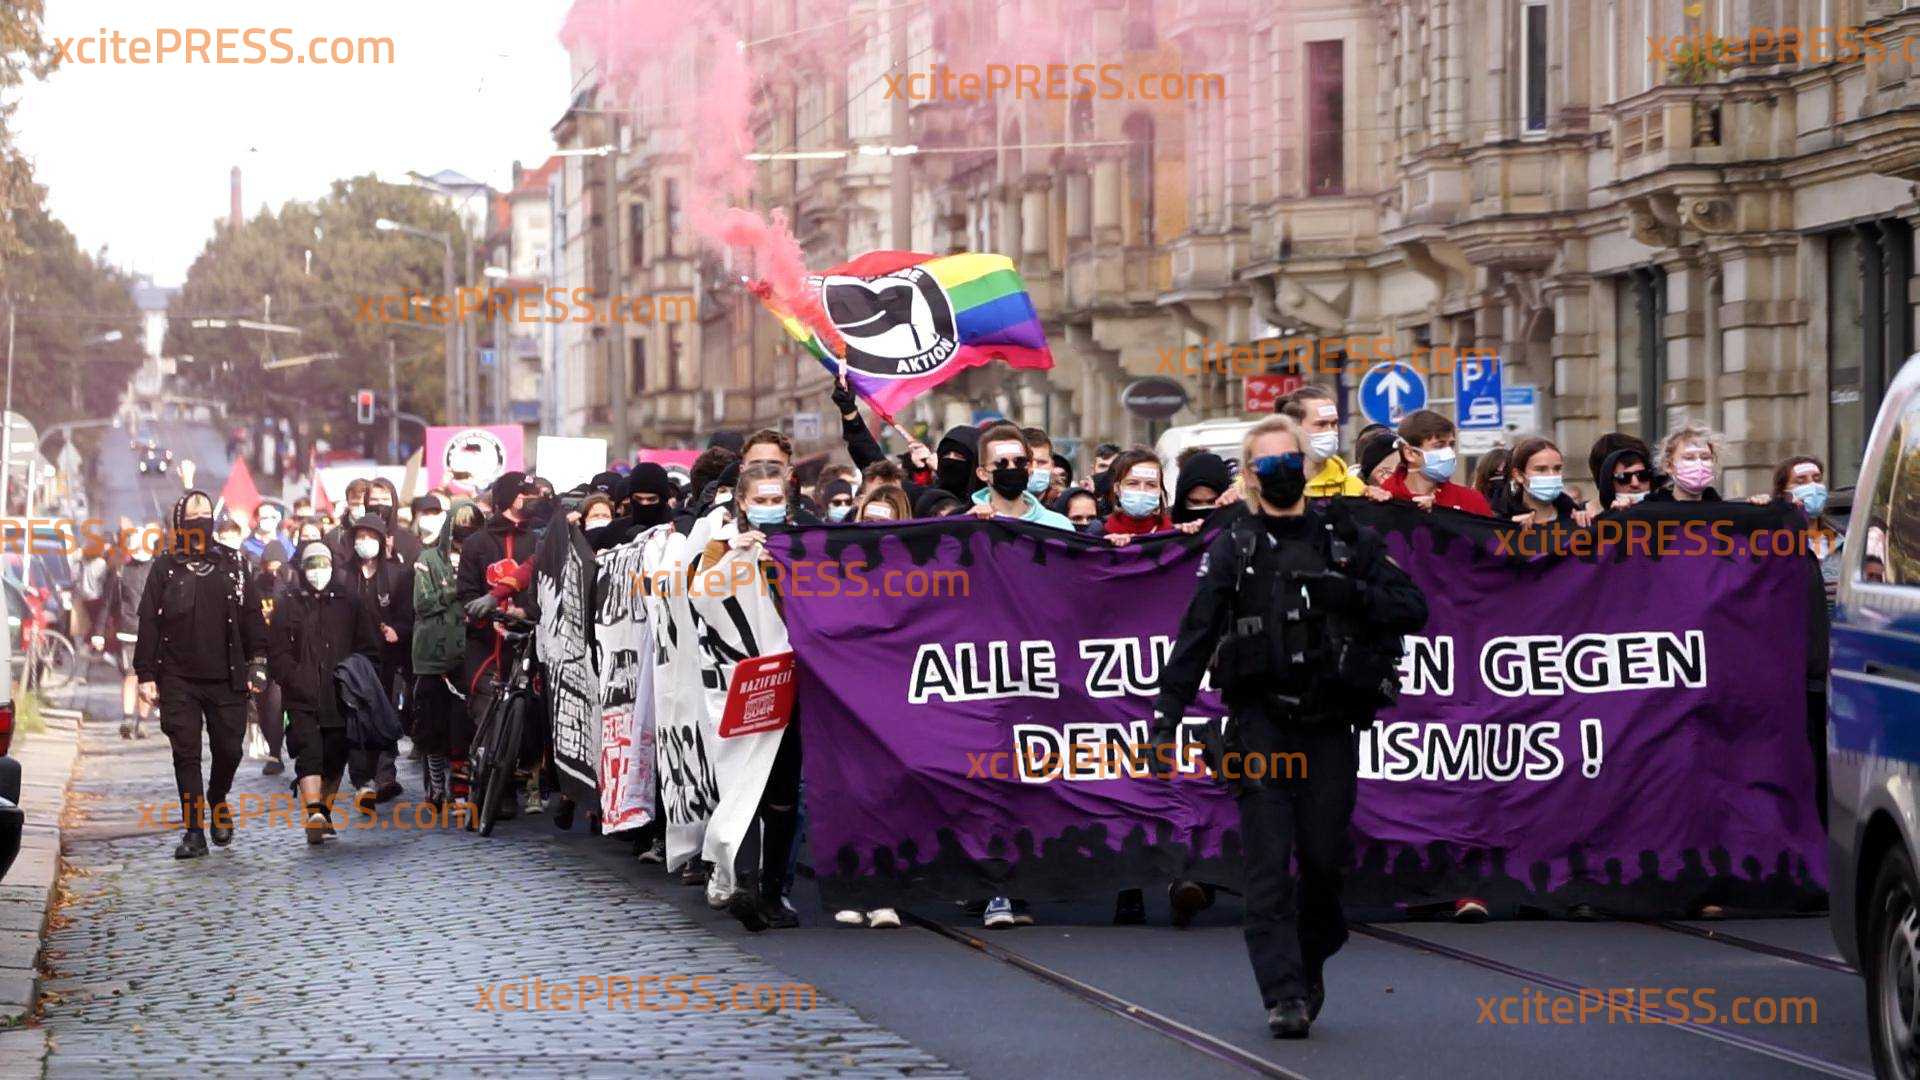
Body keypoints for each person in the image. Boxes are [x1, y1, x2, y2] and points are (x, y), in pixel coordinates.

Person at [1149, 415, 1429, 1038]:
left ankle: (1313, 952)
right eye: (1265, 463)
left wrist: (1344, 593)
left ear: (1304, 464)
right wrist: (1166, 716)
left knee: (1323, 862)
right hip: (1259, 725)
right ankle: (1283, 994)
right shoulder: (1235, 545)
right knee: (1268, 865)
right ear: (1249, 475)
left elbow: (1412, 607)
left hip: (1329, 724)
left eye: (1288, 459)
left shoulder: (1346, 536)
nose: (1278, 471)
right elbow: (1196, 634)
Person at [134, 490, 269, 859]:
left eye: (206, 513)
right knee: (186, 754)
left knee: (230, 749)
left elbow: (253, 615)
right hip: (177, 678)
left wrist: (258, 660)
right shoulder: (165, 567)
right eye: (192, 514)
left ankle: (218, 796)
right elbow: (147, 620)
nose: (200, 519)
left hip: (227, 677)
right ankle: (194, 830)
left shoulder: (235, 564)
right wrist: (145, 675)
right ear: (180, 523)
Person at [271, 541, 381, 844]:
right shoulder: (288, 603)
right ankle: (314, 812)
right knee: (309, 750)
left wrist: (357, 680)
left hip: (340, 694)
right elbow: (277, 650)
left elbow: (368, 646)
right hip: (301, 693)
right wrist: (292, 677)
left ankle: (325, 812)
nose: (317, 572)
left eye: (323, 565)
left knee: (335, 752)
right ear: (301, 569)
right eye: (311, 565)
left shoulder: (350, 601)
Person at [457, 472, 538, 814]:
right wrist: (485, 613)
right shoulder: (477, 543)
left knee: (529, 713)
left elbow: (548, 590)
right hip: (485, 642)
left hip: (527, 642)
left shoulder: (536, 542)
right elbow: (466, 594)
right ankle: (490, 788)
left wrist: (526, 611)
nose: (532, 499)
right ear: (511, 498)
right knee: (486, 708)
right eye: (526, 494)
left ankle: (517, 779)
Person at [340, 513, 411, 804]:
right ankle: (362, 778)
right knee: (357, 717)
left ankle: (385, 774)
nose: (364, 543)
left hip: (388, 658)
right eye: (359, 537)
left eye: (370, 537)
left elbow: (409, 615)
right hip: (353, 659)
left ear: (382, 541)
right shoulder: (343, 574)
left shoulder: (398, 574)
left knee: (386, 715)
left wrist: (398, 630)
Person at [410, 497, 466, 809]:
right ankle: (436, 785)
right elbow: (423, 602)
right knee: (432, 724)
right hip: (432, 654)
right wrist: (456, 589)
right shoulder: (428, 558)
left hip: (468, 650)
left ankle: (460, 784)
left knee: (461, 724)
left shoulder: (478, 556)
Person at [1380, 410, 1494, 515]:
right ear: (1410, 453)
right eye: (1439, 446)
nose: (1449, 452)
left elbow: (1494, 536)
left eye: (1451, 445)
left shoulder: (1471, 501)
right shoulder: (1383, 500)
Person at [101, 529, 157, 739]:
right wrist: (98, 633)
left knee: (146, 678)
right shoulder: (121, 571)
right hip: (128, 631)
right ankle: (126, 718)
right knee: (131, 675)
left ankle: (142, 722)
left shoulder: (159, 570)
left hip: (153, 632)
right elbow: (108, 603)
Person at [967, 423, 1077, 531]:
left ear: (1029, 468)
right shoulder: (969, 524)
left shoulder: (1059, 526)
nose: (1011, 468)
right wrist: (967, 524)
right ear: (982, 473)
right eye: (1001, 463)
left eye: (1019, 462)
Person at [1277, 386, 1365, 497]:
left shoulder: (1354, 488)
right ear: (1293, 428)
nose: (1331, 431)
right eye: (1321, 424)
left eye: (1334, 424)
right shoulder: (1267, 484)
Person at [1490, 437, 1595, 526]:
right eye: (1541, 469)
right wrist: (1508, 526)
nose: (1552, 475)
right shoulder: (1500, 521)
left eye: (1557, 468)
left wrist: (1583, 521)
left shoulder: (1574, 515)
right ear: (1518, 475)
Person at [1651, 422, 1725, 503]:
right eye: (1689, 458)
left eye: (1705, 457)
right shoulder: (1648, 512)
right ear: (1668, 466)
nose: (1699, 464)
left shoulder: (1726, 513)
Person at [1172, 452, 1233, 526]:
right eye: (1195, 503)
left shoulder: (1240, 528)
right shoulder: (1164, 529)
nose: (1203, 510)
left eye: (1212, 502)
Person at [1594, 443, 1656, 510]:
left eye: (1643, 475)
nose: (1635, 484)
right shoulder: (1593, 518)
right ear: (1609, 484)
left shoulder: (1667, 511)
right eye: (1623, 478)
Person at [242, 501, 290, 565]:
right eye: (265, 517)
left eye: (273, 517)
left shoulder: (285, 541)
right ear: (256, 519)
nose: (270, 520)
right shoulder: (247, 545)